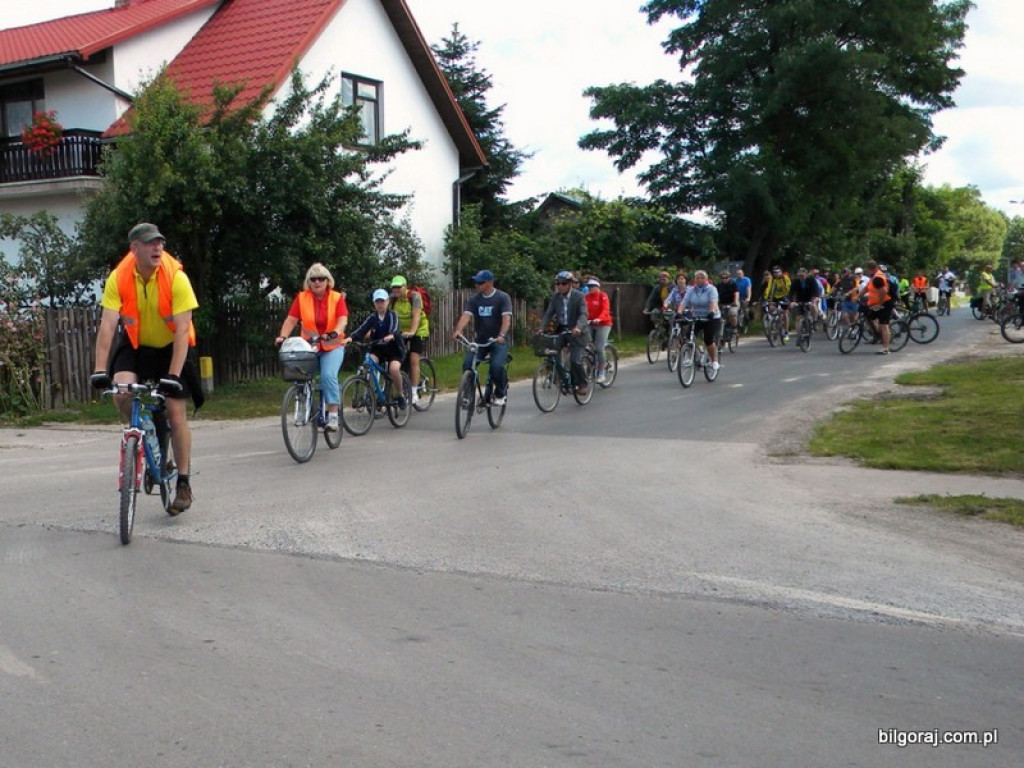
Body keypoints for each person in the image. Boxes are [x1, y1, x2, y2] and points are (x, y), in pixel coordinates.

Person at [90, 223, 199, 515]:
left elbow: (182, 330)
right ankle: (147, 435)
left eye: (160, 243)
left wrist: (173, 377)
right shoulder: (119, 277)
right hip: (137, 346)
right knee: (121, 393)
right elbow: (108, 324)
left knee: (176, 413)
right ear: (134, 248)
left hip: (171, 348)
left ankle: (184, 483)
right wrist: (100, 369)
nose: (158, 248)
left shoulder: (176, 277)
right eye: (150, 243)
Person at [274, 263, 348, 432]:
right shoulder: (302, 298)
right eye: (313, 279)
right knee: (300, 376)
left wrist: (335, 332)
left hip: (333, 345)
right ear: (308, 282)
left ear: (327, 281)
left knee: (328, 376)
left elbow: (342, 319)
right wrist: (283, 336)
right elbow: (291, 320)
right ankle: (301, 408)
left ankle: (333, 416)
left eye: (321, 279)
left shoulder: (336, 298)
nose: (317, 282)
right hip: (310, 345)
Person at [452, 270, 513, 405]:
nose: (477, 285)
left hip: (498, 341)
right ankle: (467, 395)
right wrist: (458, 330)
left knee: (496, 367)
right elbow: (466, 315)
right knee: (468, 364)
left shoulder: (502, 297)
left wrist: (501, 335)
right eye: (476, 282)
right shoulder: (474, 299)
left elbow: (506, 319)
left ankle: (500, 392)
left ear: (490, 283)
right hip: (481, 341)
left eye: (480, 282)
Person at [348, 288, 406, 404]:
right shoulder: (372, 318)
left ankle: (400, 394)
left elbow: (395, 328)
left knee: (394, 369)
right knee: (369, 363)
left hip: (394, 349)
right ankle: (371, 393)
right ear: (374, 303)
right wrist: (350, 338)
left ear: (387, 301)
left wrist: (391, 335)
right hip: (378, 348)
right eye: (377, 302)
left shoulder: (392, 315)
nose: (380, 304)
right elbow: (362, 329)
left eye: (382, 301)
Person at [539, 269, 591, 395]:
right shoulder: (555, 298)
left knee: (574, 360)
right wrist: (542, 328)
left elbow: (583, 314)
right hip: (562, 330)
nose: (560, 286)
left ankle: (583, 383)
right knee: (552, 354)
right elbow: (549, 314)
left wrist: (578, 327)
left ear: (570, 284)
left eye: (563, 284)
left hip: (578, 332)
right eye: (558, 284)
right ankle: (562, 379)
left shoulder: (578, 296)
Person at [389, 275, 428, 405]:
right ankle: (401, 388)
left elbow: (416, 316)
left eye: (398, 287)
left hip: (418, 329)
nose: (396, 290)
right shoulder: (392, 299)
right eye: (394, 287)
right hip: (401, 332)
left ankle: (414, 391)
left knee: (413, 360)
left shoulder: (414, 297)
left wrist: (412, 331)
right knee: (399, 360)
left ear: (405, 287)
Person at [680, 270, 722, 371]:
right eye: (697, 278)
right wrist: (679, 312)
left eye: (702, 278)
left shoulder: (711, 289)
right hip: (697, 316)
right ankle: (693, 355)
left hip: (711, 317)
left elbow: (713, 302)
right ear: (695, 280)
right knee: (688, 336)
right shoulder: (691, 290)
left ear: (706, 279)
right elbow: (683, 302)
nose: (699, 280)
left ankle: (714, 360)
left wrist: (711, 311)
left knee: (708, 340)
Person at [859, 261, 892, 354]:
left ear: (869, 268)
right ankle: (877, 334)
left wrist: (880, 304)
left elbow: (884, 292)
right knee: (869, 316)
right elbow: (867, 288)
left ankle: (886, 348)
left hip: (885, 302)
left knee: (884, 325)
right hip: (876, 302)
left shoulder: (878, 277)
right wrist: (857, 296)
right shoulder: (873, 276)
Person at [584, 277, 612, 382]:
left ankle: (602, 372)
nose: (590, 289)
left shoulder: (602, 296)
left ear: (597, 287)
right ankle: (589, 365)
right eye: (589, 287)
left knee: (599, 348)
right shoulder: (586, 297)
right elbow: (583, 310)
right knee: (586, 345)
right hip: (590, 323)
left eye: (592, 287)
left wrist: (599, 318)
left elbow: (605, 309)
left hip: (603, 323)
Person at [762, 265, 792, 339]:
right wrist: (766, 299)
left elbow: (789, 288)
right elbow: (768, 289)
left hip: (784, 296)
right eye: (774, 273)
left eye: (777, 272)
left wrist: (789, 299)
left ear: (781, 272)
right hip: (775, 297)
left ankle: (786, 332)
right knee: (771, 309)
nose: (776, 274)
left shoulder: (785, 278)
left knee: (785, 314)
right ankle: (773, 324)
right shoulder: (772, 280)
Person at [715, 270, 740, 334]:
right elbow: (715, 295)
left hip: (732, 303)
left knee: (732, 313)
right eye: (723, 278)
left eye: (726, 278)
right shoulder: (718, 286)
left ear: (729, 277)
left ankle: (734, 328)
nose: (724, 279)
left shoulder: (733, 284)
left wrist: (735, 301)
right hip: (721, 304)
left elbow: (736, 293)